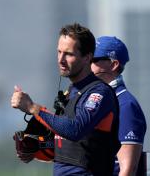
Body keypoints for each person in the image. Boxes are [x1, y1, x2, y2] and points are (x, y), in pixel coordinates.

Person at [11, 23, 120, 176]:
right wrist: (36, 149)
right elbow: (66, 144)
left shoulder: (99, 92)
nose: (61, 59)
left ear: (87, 57)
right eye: (59, 52)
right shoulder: (71, 92)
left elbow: (75, 129)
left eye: (68, 54)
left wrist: (32, 107)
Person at [91, 36, 147, 176]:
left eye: (94, 60)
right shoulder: (95, 101)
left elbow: (127, 169)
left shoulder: (126, 105)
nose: (87, 64)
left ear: (114, 64)